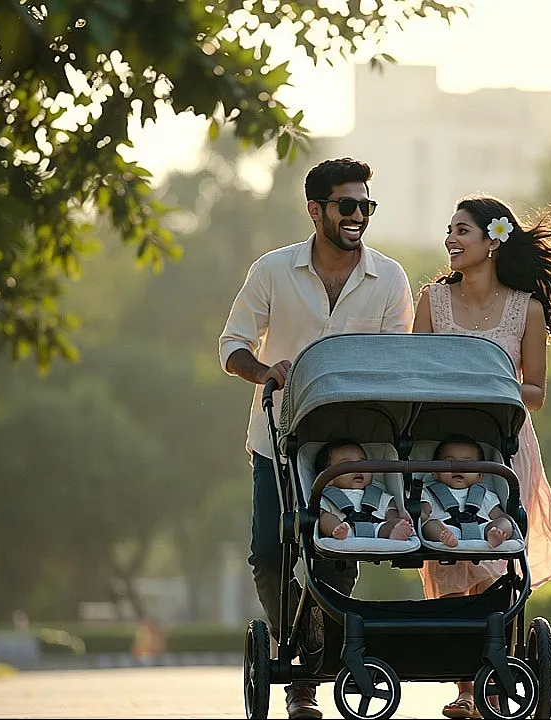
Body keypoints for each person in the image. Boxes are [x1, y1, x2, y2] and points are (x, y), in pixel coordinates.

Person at [218, 157, 415, 720]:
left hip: (351, 446)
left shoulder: (390, 279)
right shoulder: (273, 271)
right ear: (315, 210)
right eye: (347, 205)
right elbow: (231, 345)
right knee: (268, 556)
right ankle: (294, 647)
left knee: (338, 551)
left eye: (366, 206)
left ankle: (311, 676)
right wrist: (264, 372)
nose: (358, 216)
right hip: (276, 441)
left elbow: (393, 359)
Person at [412, 193, 551, 719]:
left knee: (492, 557)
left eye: (461, 231)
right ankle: (465, 688)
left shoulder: (526, 309)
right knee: (449, 558)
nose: (450, 239)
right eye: (449, 230)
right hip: (441, 450)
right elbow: (414, 374)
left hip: (504, 446)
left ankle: (494, 676)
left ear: (492, 240)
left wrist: (490, 388)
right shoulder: (432, 300)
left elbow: (535, 390)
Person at [420, 435, 514, 549]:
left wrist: (504, 524)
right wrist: (421, 516)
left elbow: (498, 515)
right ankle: (445, 538)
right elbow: (423, 514)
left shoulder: (485, 494)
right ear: (435, 471)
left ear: (480, 475)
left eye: (467, 464)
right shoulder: (427, 493)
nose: (458, 469)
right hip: (447, 529)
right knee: (429, 525)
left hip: (483, 530)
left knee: (505, 522)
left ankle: (496, 536)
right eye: (450, 463)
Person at [316, 439, 415, 541]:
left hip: (377, 530)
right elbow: (319, 513)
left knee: (393, 523)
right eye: (347, 466)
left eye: (362, 463)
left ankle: (396, 532)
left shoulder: (379, 495)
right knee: (325, 517)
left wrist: (395, 521)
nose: (358, 468)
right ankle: (337, 531)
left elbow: (391, 511)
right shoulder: (327, 496)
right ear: (328, 478)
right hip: (344, 526)